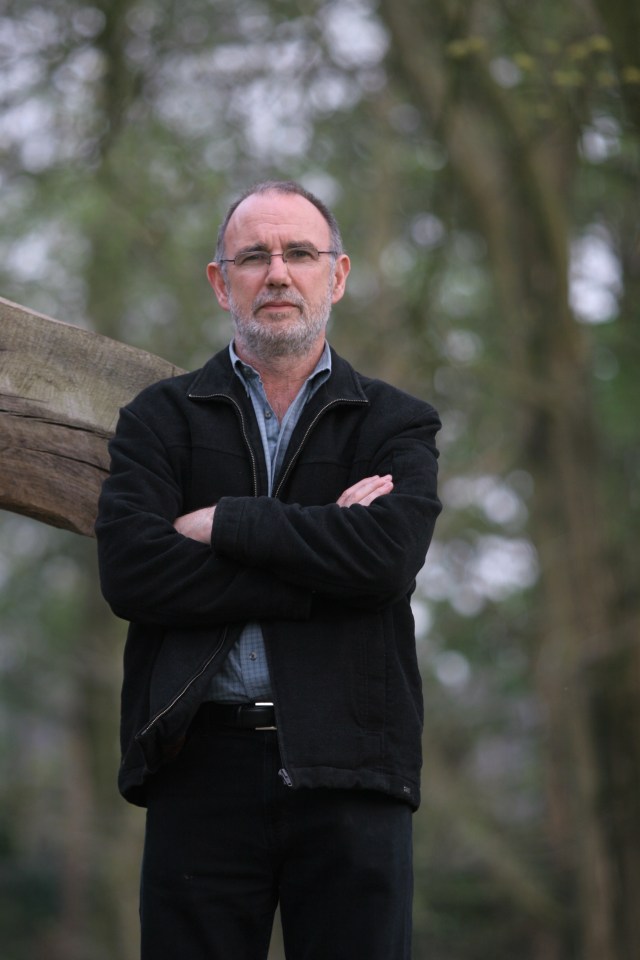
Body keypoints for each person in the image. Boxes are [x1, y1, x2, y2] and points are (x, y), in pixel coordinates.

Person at [95, 179, 441, 960]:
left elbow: (386, 560)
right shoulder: (158, 420)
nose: (277, 272)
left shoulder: (395, 423)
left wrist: (226, 522)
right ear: (223, 282)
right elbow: (132, 573)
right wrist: (326, 561)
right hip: (197, 765)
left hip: (354, 764)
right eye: (254, 256)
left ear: (338, 275)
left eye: (299, 253)